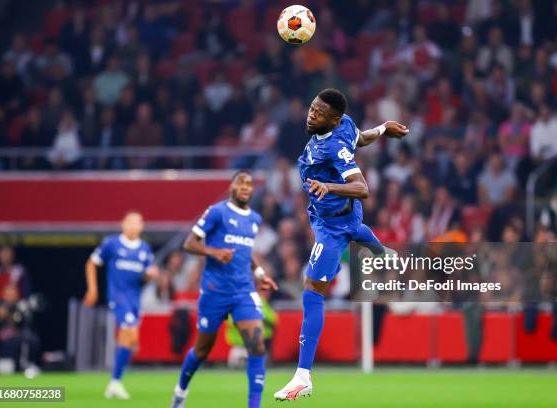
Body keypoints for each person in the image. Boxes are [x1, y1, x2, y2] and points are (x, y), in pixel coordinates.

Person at [274, 88, 408, 400]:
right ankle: (383, 253)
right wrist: (383, 129)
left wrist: (330, 187)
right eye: (311, 108)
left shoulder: (333, 146)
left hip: (332, 226)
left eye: (319, 113)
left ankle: (303, 376)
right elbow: (361, 138)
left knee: (312, 289)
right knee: (356, 229)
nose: (311, 115)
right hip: (335, 216)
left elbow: (362, 188)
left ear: (332, 120)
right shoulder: (345, 123)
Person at [170, 170, 278, 408]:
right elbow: (189, 243)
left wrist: (259, 273)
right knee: (202, 350)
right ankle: (180, 391)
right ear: (231, 187)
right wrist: (214, 252)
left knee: (257, 345)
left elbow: (245, 252)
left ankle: (254, 405)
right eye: (241, 182)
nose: (245, 187)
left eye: (249, 184)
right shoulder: (217, 212)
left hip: (243, 291)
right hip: (215, 291)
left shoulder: (254, 219)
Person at [83, 211, 158, 400]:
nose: (133, 226)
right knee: (130, 334)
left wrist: (151, 275)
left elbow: (144, 278)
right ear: (122, 224)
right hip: (117, 296)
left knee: (131, 341)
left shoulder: (145, 249)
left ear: (142, 226)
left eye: (137, 223)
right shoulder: (112, 244)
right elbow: (91, 263)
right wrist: (92, 289)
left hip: (135, 299)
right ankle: (115, 382)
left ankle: (115, 382)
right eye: (130, 222)